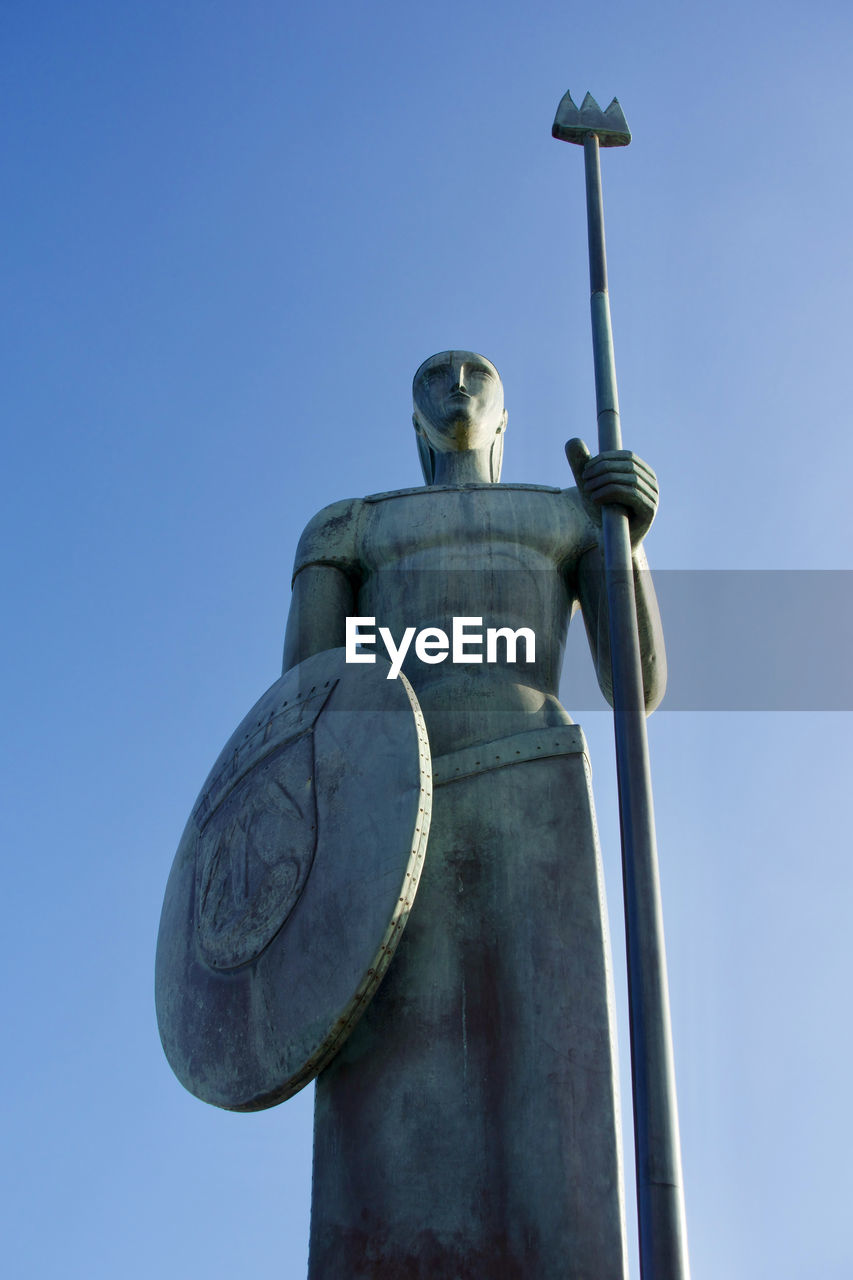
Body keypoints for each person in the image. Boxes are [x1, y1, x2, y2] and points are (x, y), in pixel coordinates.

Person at [283, 350, 665, 1279]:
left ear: (503, 414)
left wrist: (627, 546)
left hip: (533, 781)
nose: (456, 383)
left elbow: (637, 685)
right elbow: (301, 715)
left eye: (475, 373)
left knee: (552, 1098)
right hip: (389, 807)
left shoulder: (561, 516)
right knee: (391, 1097)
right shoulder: (351, 529)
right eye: (435, 375)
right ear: (413, 420)